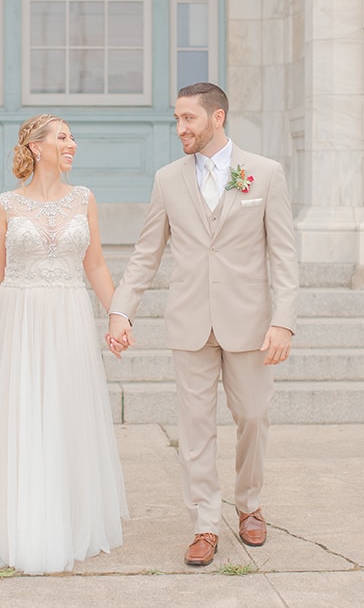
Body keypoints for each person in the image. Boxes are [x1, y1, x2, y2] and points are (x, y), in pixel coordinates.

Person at [107, 82, 297, 566]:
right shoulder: (168, 179)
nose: (180, 129)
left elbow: (285, 256)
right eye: (177, 119)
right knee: (194, 428)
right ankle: (205, 524)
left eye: (188, 119)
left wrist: (284, 321)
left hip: (250, 324)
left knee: (253, 415)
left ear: (217, 118)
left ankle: (249, 505)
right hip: (189, 321)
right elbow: (147, 252)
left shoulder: (265, 174)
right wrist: (121, 308)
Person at [0, 113, 128, 575]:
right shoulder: (5, 205)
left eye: (72, 138)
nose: (73, 144)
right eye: (63, 137)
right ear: (36, 146)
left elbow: (96, 267)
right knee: (24, 414)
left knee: (66, 412)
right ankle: (18, 523)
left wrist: (117, 313)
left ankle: (68, 519)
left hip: (68, 315)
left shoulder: (84, 199)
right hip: (18, 318)